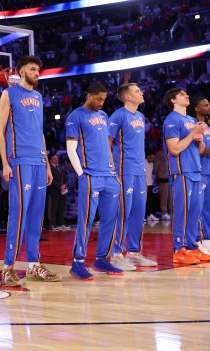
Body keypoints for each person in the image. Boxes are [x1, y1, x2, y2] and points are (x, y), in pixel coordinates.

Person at [0, 56, 61, 286]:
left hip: (38, 161)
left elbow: (40, 131)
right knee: (19, 214)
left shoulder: (38, 96)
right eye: (33, 69)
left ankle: (33, 265)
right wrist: (5, 163)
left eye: (38, 69)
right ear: (21, 71)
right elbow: (0, 130)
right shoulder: (9, 93)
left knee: (36, 216)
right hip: (19, 160)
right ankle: (8, 267)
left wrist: (46, 164)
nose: (37, 72)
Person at [65, 82, 123, 280]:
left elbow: (106, 145)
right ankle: (78, 262)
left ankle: (102, 259)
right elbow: (71, 148)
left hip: (109, 174)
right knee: (86, 220)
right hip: (90, 174)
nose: (101, 102)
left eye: (104, 100)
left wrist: (113, 169)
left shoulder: (104, 116)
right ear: (89, 95)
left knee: (110, 219)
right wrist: (81, 173)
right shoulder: (75, 116)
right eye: (98, 98)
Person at [162, 88, 210, 264]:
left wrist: (199, 140)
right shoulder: (171, 120)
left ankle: (192, 247)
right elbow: (174, 149)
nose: (187, 96)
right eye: (182, 94)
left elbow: (199, 150)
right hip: (181, 171)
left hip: (196, 170)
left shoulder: (192, 120)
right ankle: (179, 250)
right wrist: (193, 134)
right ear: (173, 100)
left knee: (195, 212)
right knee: (182, 212)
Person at [107, 83, 158, 270]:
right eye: (137, 91)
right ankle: (116, 254)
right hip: (123, 169)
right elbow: (108, 141)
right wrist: (111, 166)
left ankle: (134, 252)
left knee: (138, 212)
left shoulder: (140, 116)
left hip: (139, 169)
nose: (141, 93)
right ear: (127, 97)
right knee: (123, 211)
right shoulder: (119, 115)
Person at [187, 97, 210, 256]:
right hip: (198, 171)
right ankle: (196, 240)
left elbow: (208, 148)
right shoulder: (193, 125)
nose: (209, 107)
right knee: (198, 209)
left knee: (208, 208)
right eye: (205, 105)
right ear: (196, 108)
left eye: (209, 104)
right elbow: (196, 149)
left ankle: (208, 240)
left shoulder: (209, 125)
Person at [46, 152, 67, 230]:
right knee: (53, 207)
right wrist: (59, 186)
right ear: (50, 160)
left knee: (61, 207)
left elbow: (65, 176)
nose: (56, 159)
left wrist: (65, 184)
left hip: (62, 191)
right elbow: (52, 180)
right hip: (54, 191)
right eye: (54, 158)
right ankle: (53, 223)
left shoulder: (60, 167)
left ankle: (61, 222)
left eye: (57, 158)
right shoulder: (49, 168)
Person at [153, 148, 171, 220]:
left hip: (169, 177)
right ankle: (164, 212)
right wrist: (157, 174)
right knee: (165, 196)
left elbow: (156, 166)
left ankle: (169, 211)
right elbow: (156, 166)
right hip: (164, 177)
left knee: (168, 196)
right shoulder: (161, 153)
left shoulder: (169, 152)